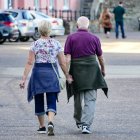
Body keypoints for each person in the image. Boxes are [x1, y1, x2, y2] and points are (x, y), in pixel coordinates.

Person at [19, 20, 72, 136]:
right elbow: (62, 63)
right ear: (50, 30)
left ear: (39, 30)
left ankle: (42, 127)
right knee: (51, 99)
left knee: (39, 99)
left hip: (38, 74)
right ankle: (51, 122)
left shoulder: (35, 44)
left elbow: (29, 62)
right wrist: (67, 75)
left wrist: (23, 79)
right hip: (51, 73)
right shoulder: (56, 44)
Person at [64, 16, 108, 134]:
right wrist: (103, 70)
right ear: (88, 26)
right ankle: (86, 125)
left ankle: (79, 121)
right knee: (91, 99)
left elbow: (67, 59)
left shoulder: (71, 38)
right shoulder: (94, 38)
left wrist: (67, 74)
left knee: (77, 98)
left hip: (76, 70)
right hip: (92, 71)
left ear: (77, 26)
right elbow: (100, 57)